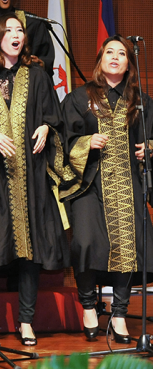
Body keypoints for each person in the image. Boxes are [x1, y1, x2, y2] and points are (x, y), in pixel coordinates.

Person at [0, 14, 69, 346]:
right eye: (8, 30)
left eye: (20, 30)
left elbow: (54, 117)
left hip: (32, 175)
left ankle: (26, 321)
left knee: (31, 252)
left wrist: (46, 127)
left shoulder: (37, 77)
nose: (15, 35)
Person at [62, 36, 153, 344]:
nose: (115, 57)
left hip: (128, 183)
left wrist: (148, 149)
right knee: (86, 243)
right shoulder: (80, 97)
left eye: (122, 54)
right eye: (109, 52)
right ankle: (89, 306)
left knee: (128, 247)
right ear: (100, 59)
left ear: (129, 63)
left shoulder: (141, 101)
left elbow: (149, 138)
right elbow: (62, 139)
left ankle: (120, 314)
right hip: (89, 183)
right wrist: (87, 142)